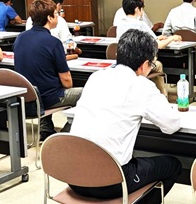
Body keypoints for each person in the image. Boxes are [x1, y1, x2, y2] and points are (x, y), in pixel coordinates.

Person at [69, 29, 181, 203]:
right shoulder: (141, 85)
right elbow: (171, 124)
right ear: (144, 65)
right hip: (109, 181)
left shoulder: (96, 77)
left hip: (73, 175)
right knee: (173, 165)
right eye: (152, 64)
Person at [14, 0, 82, 140]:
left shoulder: (20, 38)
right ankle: (67, 132)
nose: (58, 16)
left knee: (42, 83)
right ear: (50, 18)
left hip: (28, 96)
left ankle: (46, 128)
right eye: (56, 14)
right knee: (87, 93)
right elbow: (66, 81)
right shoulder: (53, 42)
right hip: (49, 97)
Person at [117, 0, 181, 95]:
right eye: (142, 9)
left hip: (123, 62)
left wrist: (158, 38)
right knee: (158, 65)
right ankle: (162, 95)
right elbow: (158, 45)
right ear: (137, 9)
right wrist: (172, 38)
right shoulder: (140, 24)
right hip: (138, 64)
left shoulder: (120, 24)